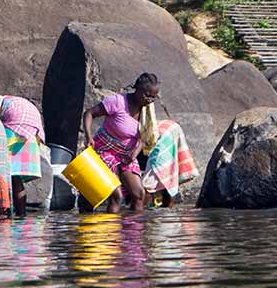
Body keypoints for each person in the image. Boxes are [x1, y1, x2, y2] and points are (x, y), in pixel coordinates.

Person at [81, 73, 160, 213]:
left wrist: (135, 152)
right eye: (147, 95)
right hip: (104, 150)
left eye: (154, 97)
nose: (150, 100)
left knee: (139, 194)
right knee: (116, 196)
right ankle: (112, 233)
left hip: (127, 155)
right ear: (138, 89)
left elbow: (145, 135)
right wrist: (88, 137)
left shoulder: (147, 110)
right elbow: (89, 113)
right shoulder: (118, 102)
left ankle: (133, 233)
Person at [141, 118, 199, 207]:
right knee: (164, 176)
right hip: (164, 130)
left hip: (164, 134)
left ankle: (142, 211)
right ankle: (166, 209)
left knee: (150, 183)